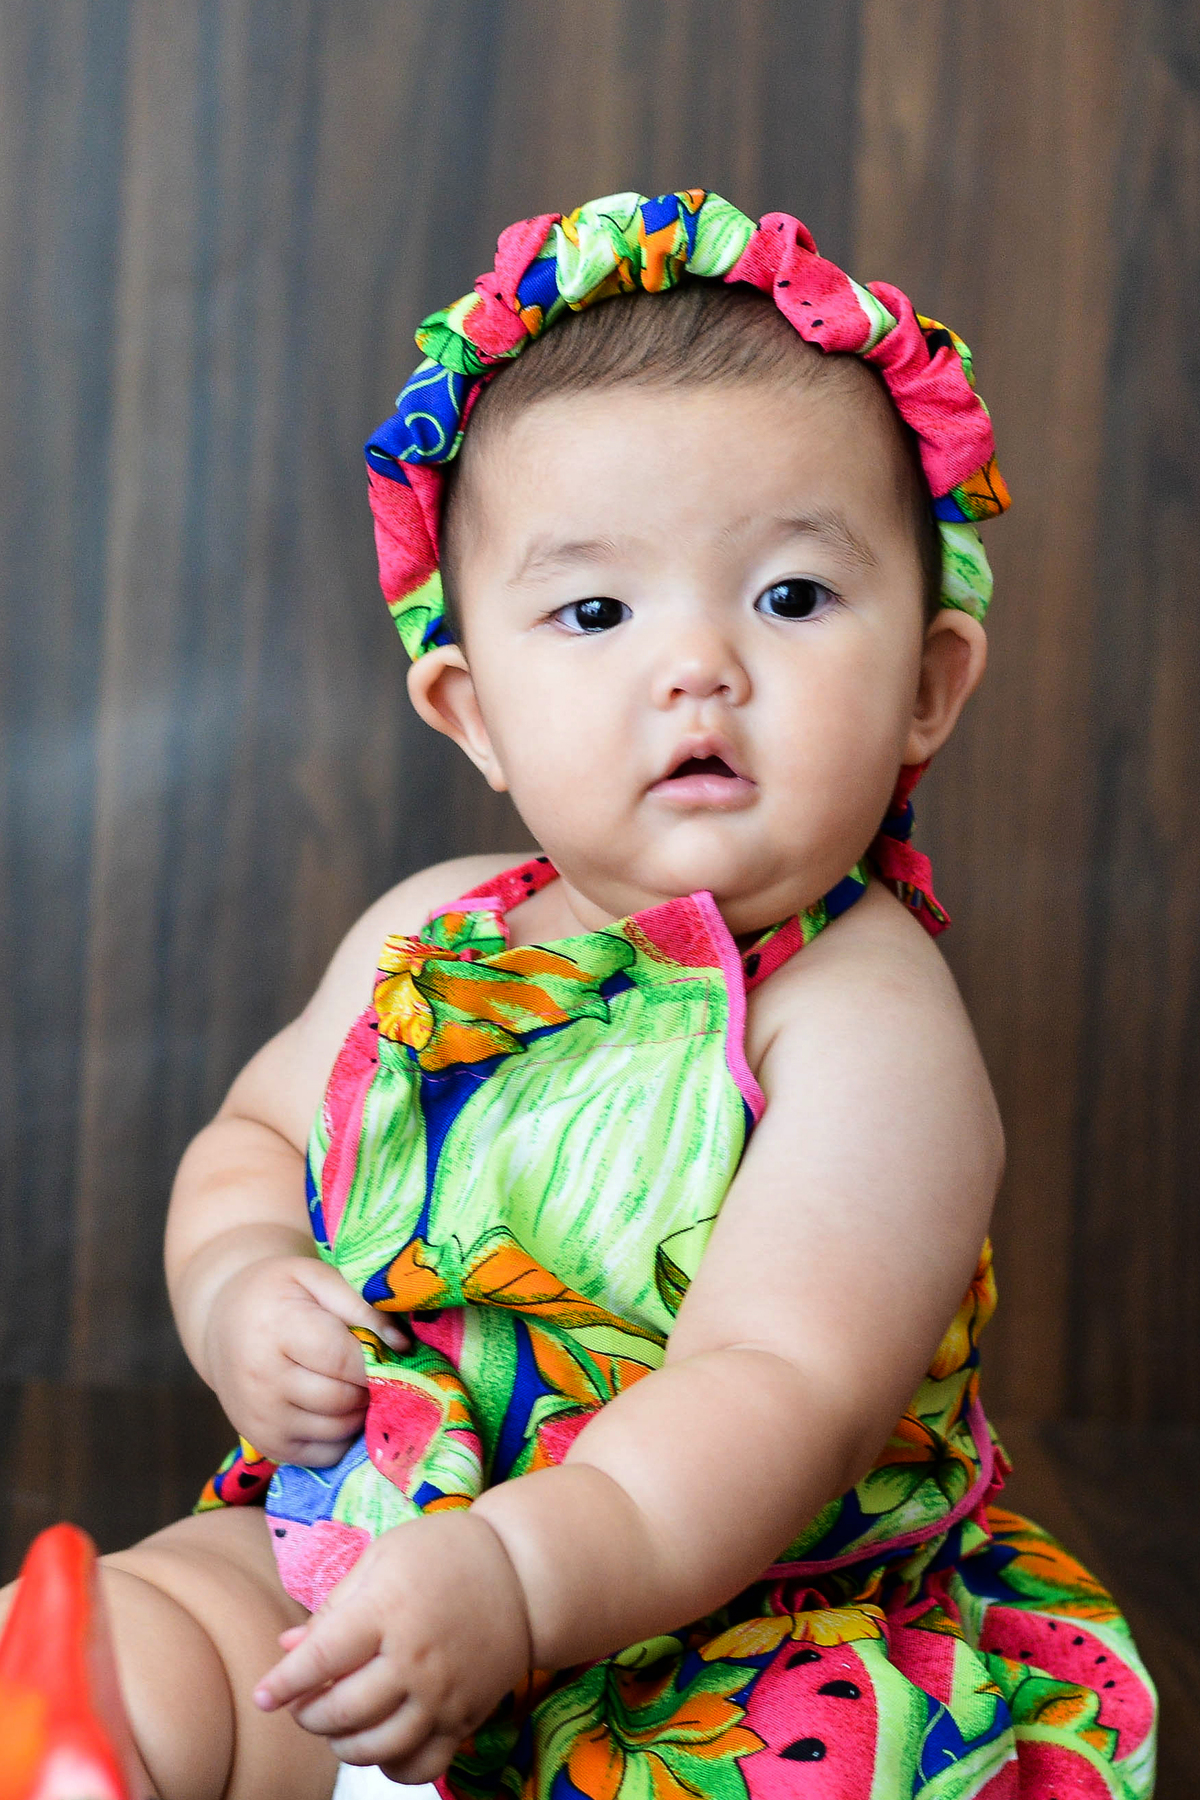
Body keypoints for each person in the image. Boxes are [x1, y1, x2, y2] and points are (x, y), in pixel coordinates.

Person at [0, 190, 1156, 1800]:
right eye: (597, 611)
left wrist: (527, 1585)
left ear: (926, 688)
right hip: (374, 1541)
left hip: (724, 1626)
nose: (697, 666)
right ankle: (82, 1733)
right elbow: (252, 1138)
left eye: (792, 598)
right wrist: (241, 1285)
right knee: (188, 1618)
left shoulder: (860, 1025)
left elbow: (781, 1390)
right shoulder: (427, 932)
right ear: (472, 709)